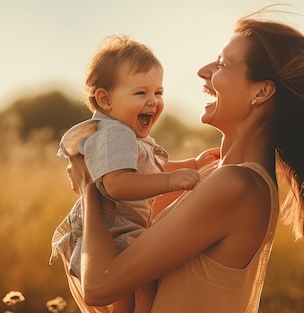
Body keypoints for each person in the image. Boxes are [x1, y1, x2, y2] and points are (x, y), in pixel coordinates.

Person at [68, 9, 304, 313]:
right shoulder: (213, 174)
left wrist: (88, 186)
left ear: (262, 91)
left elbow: (100, 286)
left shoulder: (236, 185)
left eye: (223, 63)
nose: (203, 71)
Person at [49, 35, 219, 313]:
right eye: (141, 93)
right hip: (113, 231)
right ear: (105, 99)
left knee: (141, 284)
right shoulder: (114, 134)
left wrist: (194, 164)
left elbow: (149, 171)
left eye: (158, 92)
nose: (152, 101)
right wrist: (170, 182)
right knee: (134, 287)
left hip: (126, 228)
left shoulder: (128, 136)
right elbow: (117, 184)